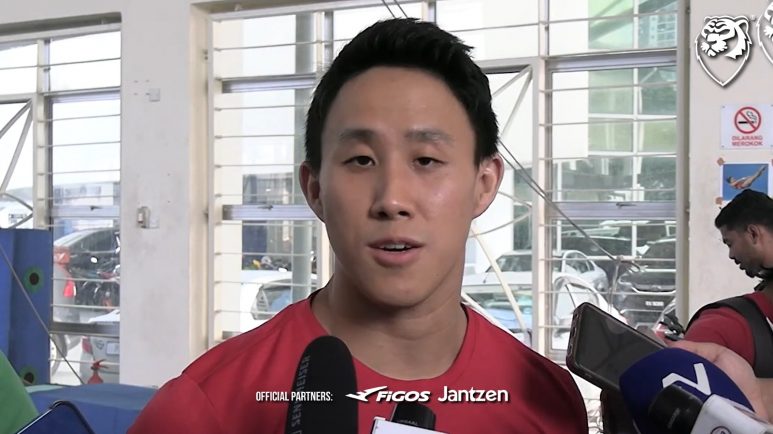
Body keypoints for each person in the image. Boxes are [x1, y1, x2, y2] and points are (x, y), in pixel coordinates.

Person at [129, 18, 587, 434]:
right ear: (315, 189)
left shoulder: (549, 402)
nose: (392, 199)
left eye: (426, 160)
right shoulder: (203, 409)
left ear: (483, 184)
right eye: (361, 160)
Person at [685, 190, 773, 370]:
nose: (731, 255)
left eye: (730, 243)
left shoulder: (719, 326)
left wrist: (754, 385)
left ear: (753, 233)